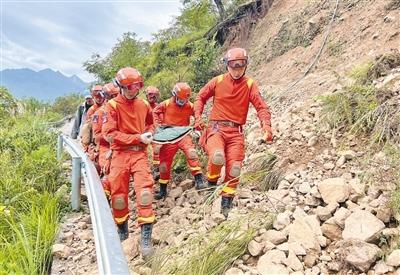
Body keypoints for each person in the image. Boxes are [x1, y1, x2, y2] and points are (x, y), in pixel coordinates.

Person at [194, 47, 273, 218]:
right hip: (216, 129)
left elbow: (261, 106)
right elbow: (200, 97)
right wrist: (197, 116)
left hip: (236, 132)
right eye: (233, 66)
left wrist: (266, 126)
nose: (236, 70)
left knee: (235, 168)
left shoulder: (250, 84)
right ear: (227, 65)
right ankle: (211, 183)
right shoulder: (218, 81)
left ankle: (226, 202)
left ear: (246, 65)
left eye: (240, 66)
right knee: (217, 156)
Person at [102, 67, 155, 258]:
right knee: (118, 196)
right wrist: (137, 138)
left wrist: (149, 133)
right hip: (120, 155)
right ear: (121, 86)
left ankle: (146, 238)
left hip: (139, 154)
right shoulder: (112, 106)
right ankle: (122, 231)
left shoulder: (144, 105)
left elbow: (151, 123)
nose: (134, 89)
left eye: (137, 86)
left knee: (145, 193)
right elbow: (109, 134)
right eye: (130, 86)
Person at [153, 82, 207, 200]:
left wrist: (198, 127)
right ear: (174, 95)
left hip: (183, 133)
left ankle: (199, 179)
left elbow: (197, 116)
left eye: (185, 99)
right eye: (180, 99)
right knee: (164, 165)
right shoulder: (166, 104)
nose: (182, 102)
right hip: (169, 135)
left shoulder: (190, 105)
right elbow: (155, 113)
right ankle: (163, 190)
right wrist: (157, 128)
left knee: (191, 153)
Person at [92, 83, 119, 199]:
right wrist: (112, 136)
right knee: (109, 170)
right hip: (105, 148)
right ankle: (105, 199)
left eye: (115, 96)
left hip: (122, 147)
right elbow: (97, 136)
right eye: (111, 96)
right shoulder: (99, 114)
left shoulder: (123, 111)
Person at [81, 85, 106, 170]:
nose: (99, 99)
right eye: (96, 97)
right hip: (96, 140)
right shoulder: (91, 110)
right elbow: (87, 128)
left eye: (100, 97)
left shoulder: (109, 106)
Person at [144, 86, 161, 180]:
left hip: (155, 132)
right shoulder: (142, 105)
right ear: (146, 95)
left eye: (154, 95)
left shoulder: (158, 107)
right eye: (150, 95)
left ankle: (156, 170)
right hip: (142, 132)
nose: (152, 97)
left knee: (157, 149)